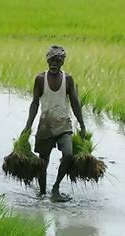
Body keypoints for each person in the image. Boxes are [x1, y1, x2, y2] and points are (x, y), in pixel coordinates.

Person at [22, 45, 86, 201]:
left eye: (58, 60)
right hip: (46, 126)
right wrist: (28, 126)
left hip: (64, 125)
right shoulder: (40, 79)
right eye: (51, 60)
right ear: (47, 60)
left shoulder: (68, 79)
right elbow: (35, 104)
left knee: (68, 155)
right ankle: (42, 193)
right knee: (43, 162)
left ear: (63, 62)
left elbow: (75, 103)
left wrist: (82, 124)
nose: (54, 63)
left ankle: (55, 188)